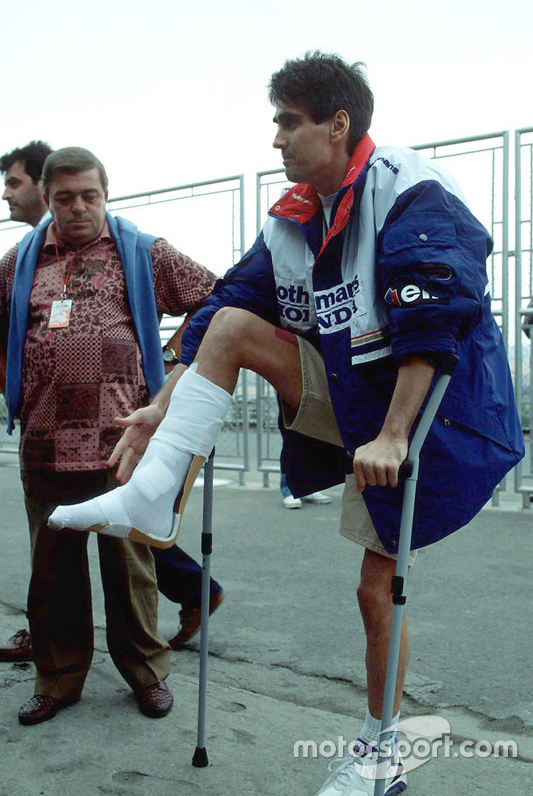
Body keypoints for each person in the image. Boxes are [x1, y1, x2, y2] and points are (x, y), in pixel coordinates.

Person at [48, 55, 524, 795]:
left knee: (377, 589)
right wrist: (161, 404)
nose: (275, 138)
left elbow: (433, 320)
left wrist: (394, 436)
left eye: (287, 121)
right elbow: (224, 309)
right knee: (234, 320)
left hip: (429, 410)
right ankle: (152, 491)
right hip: (352, 396)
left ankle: (381, 750)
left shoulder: (410, 190)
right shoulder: (295, 214)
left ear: (337, 124)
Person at [0, 145, 224, 726]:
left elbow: (218, 300)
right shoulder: (19, 262)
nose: (78, 208)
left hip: (125, 443)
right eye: (65, 197)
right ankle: (57, 678)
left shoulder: (142, 253)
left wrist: (178, 365)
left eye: (89, 196)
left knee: (131, 570)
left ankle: (147, 675)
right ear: (47, 200)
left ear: (106, 193)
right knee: (52, 575)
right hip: (44, 443)